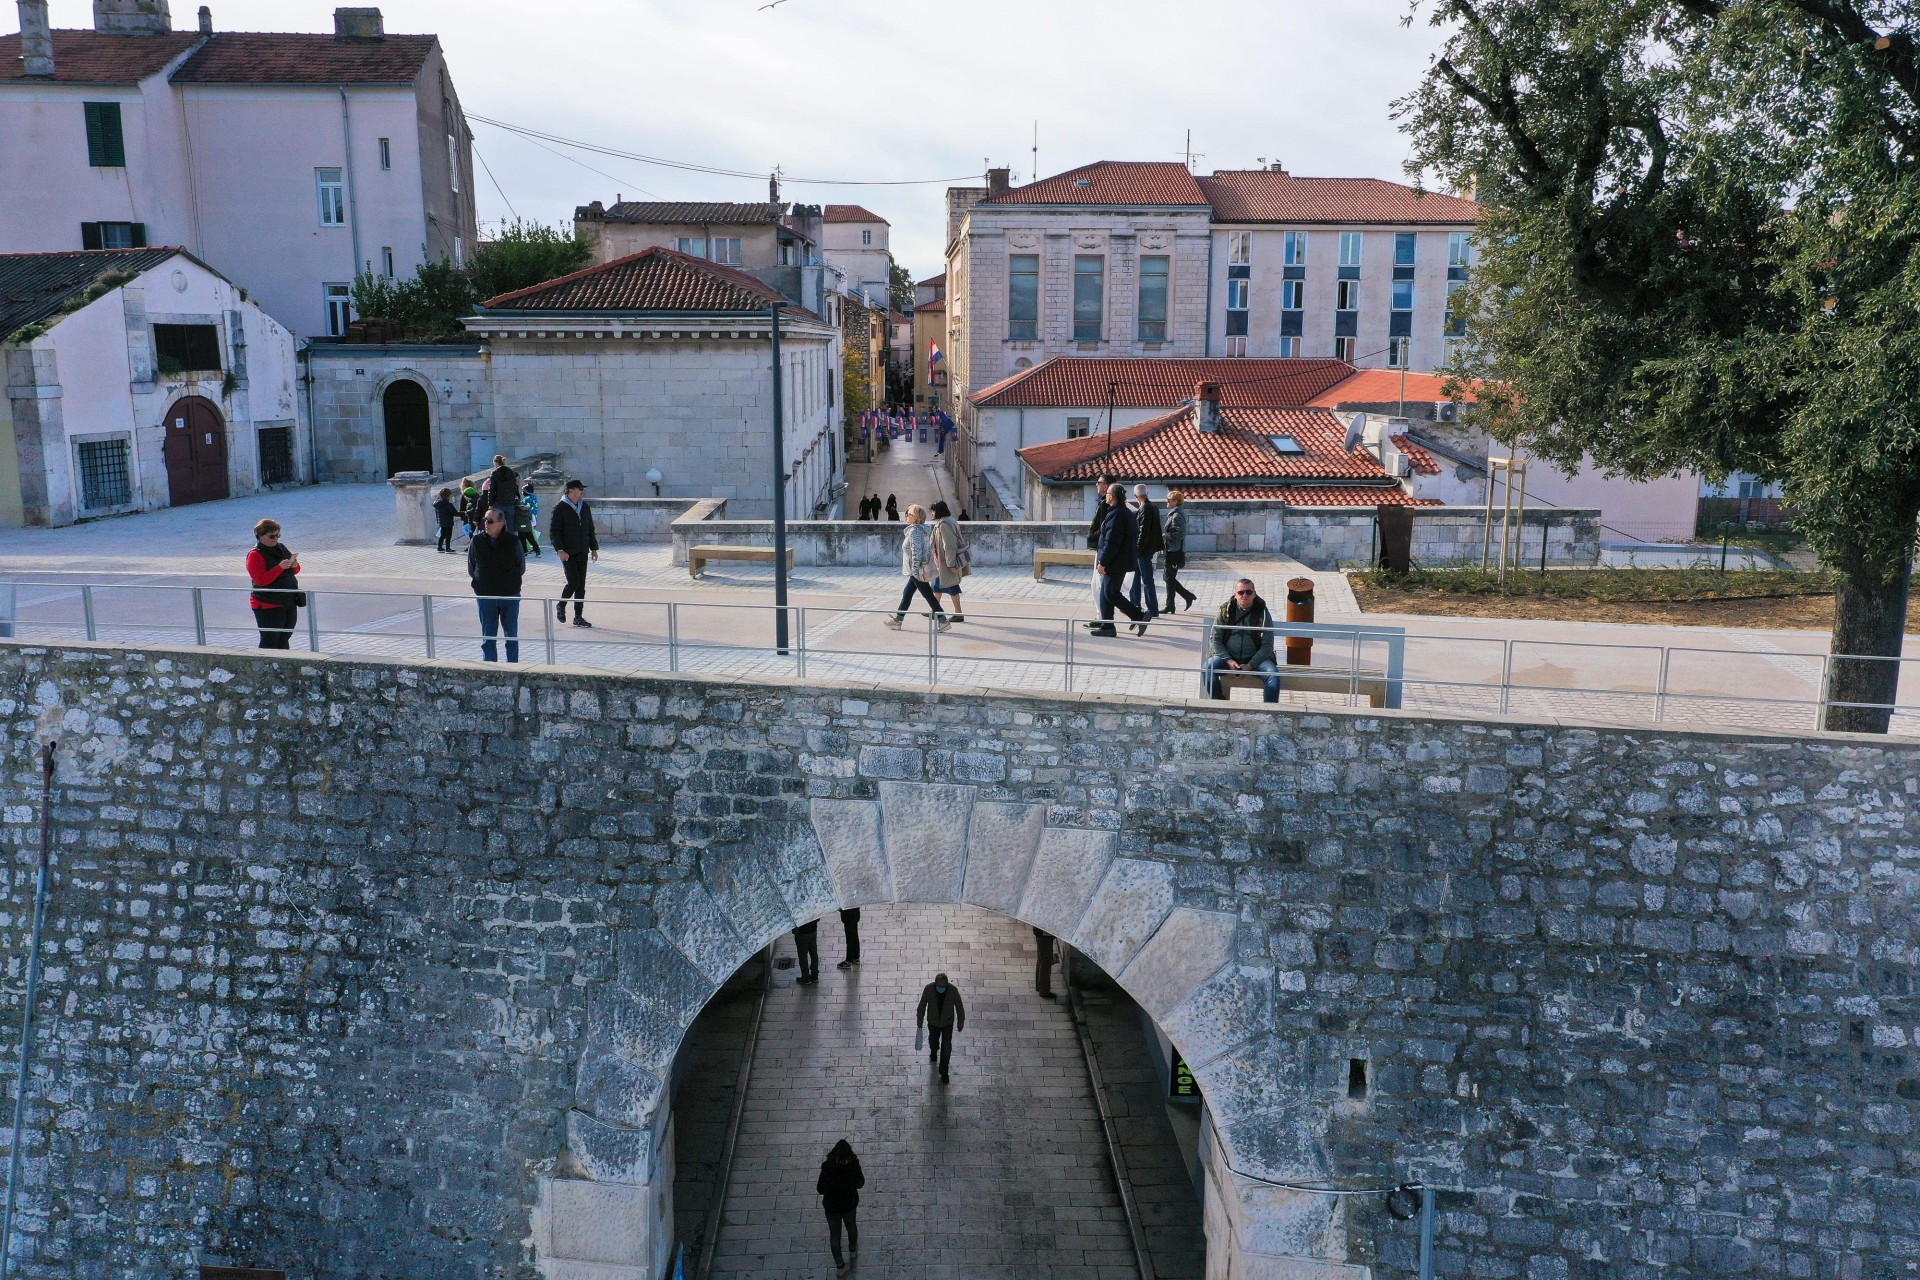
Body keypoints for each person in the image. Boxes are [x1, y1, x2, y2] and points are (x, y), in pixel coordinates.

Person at [1205, 578, 1280, 702]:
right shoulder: (1226, 611)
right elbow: (1215, 639)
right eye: (1241, 592)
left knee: (1273, 675)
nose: (1244, 595)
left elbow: (1267, 645)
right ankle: (1219, 706)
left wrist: (1250, 665)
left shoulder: (1263, 613)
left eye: (1249, 592)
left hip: (1255, 659)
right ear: (1235, 595)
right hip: (1227, 657)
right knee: (1207, 668)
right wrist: (1228, 660)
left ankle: (1269, 713)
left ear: (1254, 594)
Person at [467, 507, 526, 663]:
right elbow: (471, 567)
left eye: (490, 520)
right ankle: (490, 669)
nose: (486, 523)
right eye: (485, 520)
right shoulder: (477, 541)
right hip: (486, 595)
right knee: (488, 638)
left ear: (501, 523)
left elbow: (521, 567)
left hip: (509, 595)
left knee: (511, 636)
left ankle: (513, 669)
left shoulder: (513, 541)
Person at [1092, 484, 1149, 638]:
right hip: (1120, 560)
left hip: (1116, 562)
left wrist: (1102, 563)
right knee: (1106, 593)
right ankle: (1107, 626)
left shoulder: (1117, 515)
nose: (1106, 495)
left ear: (1113, 496)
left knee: (1111, 593)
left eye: (1108, 493)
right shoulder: (1122, 512)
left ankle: (1138, 615)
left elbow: (1112, 543)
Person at [883, 505, 949, 631]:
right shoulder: (924, 529)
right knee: (907, 593)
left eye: (909, 514)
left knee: (928, 595)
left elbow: (917, 552)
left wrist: (915, 570)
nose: (906, 515)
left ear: (916, 518)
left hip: (916, 570)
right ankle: (898, 619)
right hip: (916, 569)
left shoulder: (914, 531)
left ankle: (943, 620)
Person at [549, 479, 600, 628]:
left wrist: (594, 548)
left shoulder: (584, 507)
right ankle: (561, 605)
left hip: (582, 550)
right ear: (571, 491)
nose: (582, 492)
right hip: (568, 553)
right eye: (579, 489)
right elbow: (554, 531)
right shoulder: (560, 508)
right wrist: (560, 550)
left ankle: (578, 617)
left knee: (581, 586)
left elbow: (590, 528)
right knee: (573, 582)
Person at [245, 518, 302, 649]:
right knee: (270, 640)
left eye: (278, 535)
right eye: (272, 536)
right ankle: (265, 667)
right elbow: (260, 580)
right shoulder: (255, 555)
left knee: (284, 638)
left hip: (288, 600)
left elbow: (296, 571)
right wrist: (279, 567)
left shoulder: (281, 548)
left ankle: (283, 666)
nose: (275, 538)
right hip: (268, 604)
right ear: (260, 536)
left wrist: (294, 564)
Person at [816, 1139, 865, 1275]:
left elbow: (820, 1188)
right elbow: (860, 1183)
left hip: (832, 1208)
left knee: (835, 1235)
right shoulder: (854, 1166)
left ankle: (840, 1266)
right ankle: (853, 1250)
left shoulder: (827, 1167)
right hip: (849, 1205)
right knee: (851, 1226)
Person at [916, 971, 966, 1083]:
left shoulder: (953, 991)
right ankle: (933, 1050)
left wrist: (960, 1021)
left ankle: (944, 1072)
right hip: (933, 1022)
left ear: (947, 984)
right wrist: (920, 1020)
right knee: (933, 1040)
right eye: (939, 986)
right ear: (935, 983)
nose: (941, 988)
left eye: (943, 986)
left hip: (947, 1023)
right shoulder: (928, 989)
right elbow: (922, 1005)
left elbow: (959, 1006)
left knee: (947, 1047)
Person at [929, 500, 969, 623]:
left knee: (952, 586)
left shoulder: (944, 525)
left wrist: (951, 564)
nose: (931, 513)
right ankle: (935, 610)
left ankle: (958, 613)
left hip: (945, 563)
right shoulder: (948, 521)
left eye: (932, 511)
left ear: (937, 511)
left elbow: (949, 546)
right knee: (936, 587)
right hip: (940, 562)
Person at [1129, 484, 1164, 619]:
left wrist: (1137, 549)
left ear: (1136, 496)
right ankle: (1139, 606)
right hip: (1147, 549)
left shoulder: (1145, 509)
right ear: (1147, 493)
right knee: (1139, 578)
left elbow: (1142, 532)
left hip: (1142, 551)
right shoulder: (1153, 507)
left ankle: (1149, 608)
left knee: (1145, 579)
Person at [1162, 490, 1198, 613]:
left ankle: (1182, 599)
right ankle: (1174, 603)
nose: (1167, 502)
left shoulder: (1177, 515)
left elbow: (1181, 533)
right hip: (1172, 550)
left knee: (1168, 578)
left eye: (1169, 500)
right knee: (1169, 578)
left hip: (1174, 551)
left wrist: (1166, 536)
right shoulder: (1174, 514)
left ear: (1176, 502)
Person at [1085, 474, 1113, 616]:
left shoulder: (1105, 505)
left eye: (1099, 482)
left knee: (1099, 585)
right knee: (1097, 584)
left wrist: (1092, 535)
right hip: (1100, 547)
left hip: (1102, 548)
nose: (1096, 485)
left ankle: (1102, 616)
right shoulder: (1104, 503)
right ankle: (1100, 615)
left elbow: (1104, 528)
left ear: (1106, 486)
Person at [487, 454, 520, 526]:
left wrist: (490, 504)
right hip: (510, 502)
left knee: (497, 527)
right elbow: (514, 487)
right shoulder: (511, 472)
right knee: (511, 528)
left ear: (496, 462)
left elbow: (491, 490)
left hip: (499, 503)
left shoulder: (494, 474)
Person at [517, 487, 543, 557]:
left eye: (523, 491)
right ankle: (536, 549)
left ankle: (526, 550)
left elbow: (521, 508)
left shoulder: (525, 499)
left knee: (525, 536)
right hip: (533, 517)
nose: (522, 492)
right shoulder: (534, 497)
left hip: (526, 520)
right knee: (531, 534)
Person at [794, 917, 820, 984]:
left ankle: (805, 977)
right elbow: (818, 918)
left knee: (802, 955)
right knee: (814, 953)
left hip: (802, 932)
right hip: (813, 930)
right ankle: (815, 975)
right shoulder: (812, 906)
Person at [1033, 927, 1057, 999]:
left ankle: (1040, 987)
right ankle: (1044, 991)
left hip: (1041, 933)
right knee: (1045, 964)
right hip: (1044, 935)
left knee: (1041, 961)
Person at [433, 488, 458, 553]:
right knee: (448, 536)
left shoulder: (438, 505)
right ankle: (448, 548)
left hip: (442, 522)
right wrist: (463, 513)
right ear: (448, 496)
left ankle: (440, 547)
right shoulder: (449, 505)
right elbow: (455, 513)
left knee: (442, 535)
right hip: (449, 523)